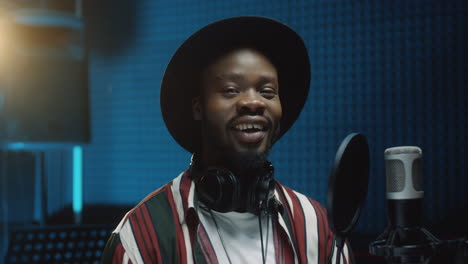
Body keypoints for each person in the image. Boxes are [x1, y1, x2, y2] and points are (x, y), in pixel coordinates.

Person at [102, 16, 351, 264]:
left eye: (267, 92)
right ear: (199, 108)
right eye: (231, 90)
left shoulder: (318, 228)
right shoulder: (140, 238)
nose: (253, 102)